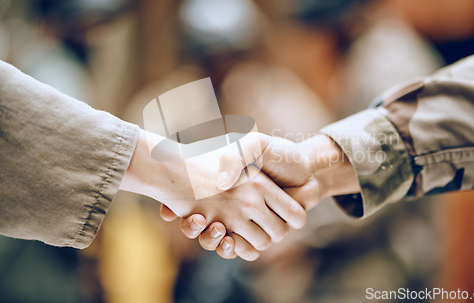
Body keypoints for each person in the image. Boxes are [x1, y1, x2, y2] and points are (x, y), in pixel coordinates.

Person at [170, 45, 474, 259]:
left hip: (387, 250)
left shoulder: (383, 64)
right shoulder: (181, 103)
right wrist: (314, 169)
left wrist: (303, 229)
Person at [0, 59, 307, 261]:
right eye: (215, 58)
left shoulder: (256, 93)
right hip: (149, 229)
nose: (224, 67)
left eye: (233, 55)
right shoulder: (170, 103)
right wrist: (184, 181)